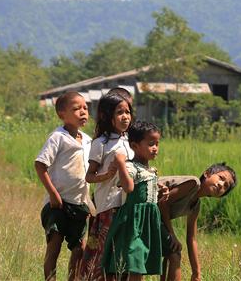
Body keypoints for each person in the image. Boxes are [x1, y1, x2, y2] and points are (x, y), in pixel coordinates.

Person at [34, 91, 94, 281]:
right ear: (62, 114)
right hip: (57, 204)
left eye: (85, 108)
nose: (83, 112)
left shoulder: (88, 140)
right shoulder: (58, 137)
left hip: (79, 203)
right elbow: (40, 165)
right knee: (55, 245)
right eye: (76, 109)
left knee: (79, 249)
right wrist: (53, 194)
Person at [80, 93, 134, 281]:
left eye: (128, 112)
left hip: (129, 205)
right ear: (106, 116)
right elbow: (89, 176)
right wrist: (108, 175)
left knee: (123, 254)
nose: (125, 116)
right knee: (104, 255)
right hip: (108, 206)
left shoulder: (131, 142)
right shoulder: (101, 143)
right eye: (120, 112)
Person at [101, 120, 164, 280]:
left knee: (140, 261)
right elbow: (128, 187)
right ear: (135, 146)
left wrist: (162, 189)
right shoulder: (130, 167)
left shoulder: (151, 170)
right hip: (134, 220)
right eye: (151, 144)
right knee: (133, 259)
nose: (155, 148)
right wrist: (121, 163)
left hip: (148, 221)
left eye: (157, 143)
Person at [158, 163, 237, 281]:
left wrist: (196, 272)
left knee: (172, 249)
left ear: (221, 196)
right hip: (144, 207)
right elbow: (163, 202)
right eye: (221, 178)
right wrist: (171, 234)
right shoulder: (193, 183)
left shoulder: (195, 206)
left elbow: (192, 239)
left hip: (155, 217)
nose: (221, 185)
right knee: (174, 251)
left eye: (225, 186)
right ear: (207, 174)